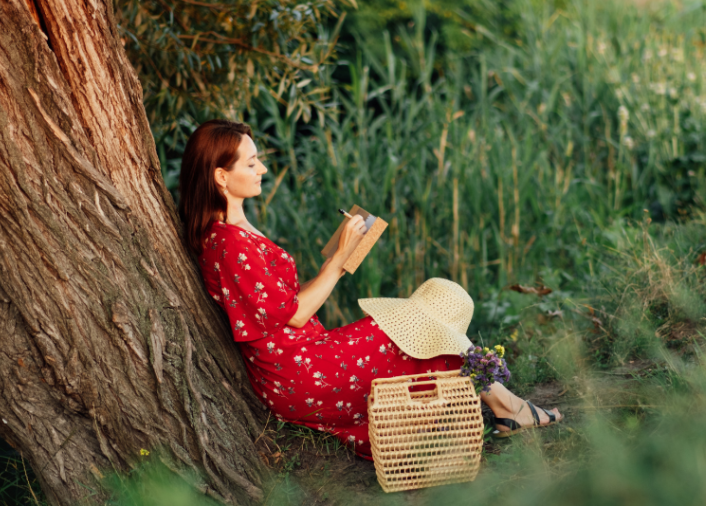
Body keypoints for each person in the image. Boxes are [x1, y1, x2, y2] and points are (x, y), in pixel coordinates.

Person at [178, 119, 561, 459]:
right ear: (221, 177)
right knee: (409, 323)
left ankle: (501, 404)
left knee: (440, 299)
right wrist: (336, 260)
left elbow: (287, 302)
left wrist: (344, 258)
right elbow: (294, 314)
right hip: (298, 374)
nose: (262, 168)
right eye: (251, 163)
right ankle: (508, 407)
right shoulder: (226, 244)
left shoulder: (240, 232)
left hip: (309, 355)